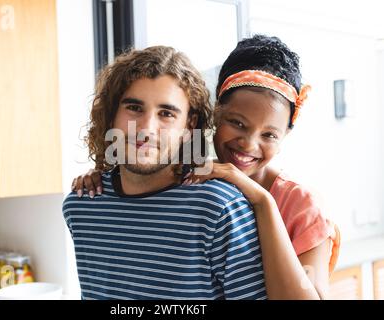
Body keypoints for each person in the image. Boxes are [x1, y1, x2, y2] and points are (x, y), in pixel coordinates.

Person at [72, 35, 341, 299]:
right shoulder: (201, 172)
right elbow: (147, 165)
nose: (248, 145)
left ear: (283, 138)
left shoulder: (296, 205)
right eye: (237, 123)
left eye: (269, 135)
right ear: (216, 116)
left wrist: (263, 201)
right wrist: (104, 174)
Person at [63, 45, 267, 300]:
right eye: (134, 108)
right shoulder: (82, 206)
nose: (146, 128)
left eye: (166, 114)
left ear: (189, 125)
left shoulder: (220, 209)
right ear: (112, 112)